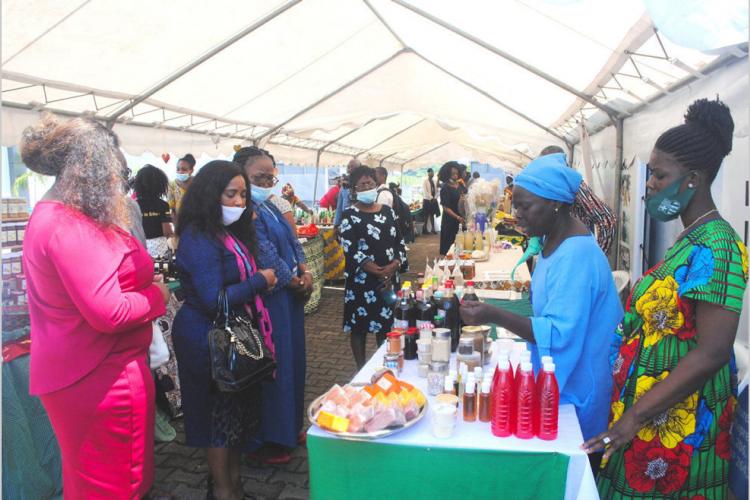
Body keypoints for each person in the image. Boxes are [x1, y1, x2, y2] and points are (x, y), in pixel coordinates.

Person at [585, 98, 748, 499]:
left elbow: (711, 351)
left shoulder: (718, 245)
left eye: (658, 175)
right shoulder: (690, 238)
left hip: (679, 430)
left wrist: (633, 418)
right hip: (648, 419)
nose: (649, 185)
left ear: (691, 178)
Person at [21, 114, 169, 498]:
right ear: (92, 167)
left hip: (90, 371)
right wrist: (158, 296)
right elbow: (111, 312)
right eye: (115, 172)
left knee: (92, 482)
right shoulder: (67, 224)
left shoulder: (62, 216)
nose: (118, 183)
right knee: (115, 485)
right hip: (101, 376)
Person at [461, 153, 623, 451]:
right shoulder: (554, 241)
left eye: (525, 207)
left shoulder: (576, 256)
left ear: (555, 204)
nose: (517, 214)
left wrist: (493, 314)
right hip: (564, 374)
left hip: (580, 384)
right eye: (515, 206)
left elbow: (559, 332)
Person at [172, 160, 276, 500]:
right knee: (218, 421)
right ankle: (223, 490)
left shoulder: (225, 233)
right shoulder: (199, 238)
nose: (239, 203)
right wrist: (259, 281)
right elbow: (214, 300)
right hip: (207, 338)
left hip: (228, 333)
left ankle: (234, 485)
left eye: (243, 195)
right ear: (210, 194)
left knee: (234, 419)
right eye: (231, 194)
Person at [233, 146, 311, 464]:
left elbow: (293, 241)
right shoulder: (244, 211)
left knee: (294, 362)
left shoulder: (270, 207)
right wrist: (293, 281)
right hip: (269, 300)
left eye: (270, 176)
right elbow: (263, 253)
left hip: (289, 298)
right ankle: (270, 437)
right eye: (259, 177)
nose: (267, 181)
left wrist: (305, 272)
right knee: (274, 367)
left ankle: (290, 427)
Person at [340, 165, 407, 368]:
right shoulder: (349, 215)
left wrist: (393, 266)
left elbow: (399, 242)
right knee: (359, 328)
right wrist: (375, 270)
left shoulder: (388, 212)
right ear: (354, 189)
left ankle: (385, 364)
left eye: (370, 183)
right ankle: (361, 369)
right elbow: (349, 248)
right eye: (362, 184)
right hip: (362, 282)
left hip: (388, 280)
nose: (367, 186)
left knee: (385, 326)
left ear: (376, 185)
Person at [539, 145, 616, 254]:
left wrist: (597, 254)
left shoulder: (574, 185)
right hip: (556, 251)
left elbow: (608, 219)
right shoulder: (548, 186)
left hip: (574, 252)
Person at [134, 164, 175, 259]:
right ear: (161, 185)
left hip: (140, 246)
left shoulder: (134, 205)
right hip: (159, 247)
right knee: (160, 271)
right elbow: (166, 231)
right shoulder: (163, 205)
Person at [438, 161, 465, 257]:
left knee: (461, 246)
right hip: (450, 221)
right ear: (447, 174)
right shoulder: (445, 188)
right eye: (453, 173)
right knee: (450, 248)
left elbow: (466, 197)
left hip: (461, 220)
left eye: (457, 173)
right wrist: (457, 217)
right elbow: (445, 207)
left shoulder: (460, 185)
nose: (455, 176)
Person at [334, 158, 362, 231]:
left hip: (360, 223)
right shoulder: (344, 187)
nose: (349, 169)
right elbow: (339, 207)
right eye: (348, 167)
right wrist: (336, 224)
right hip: (346, 222)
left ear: (359, 169)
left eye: (352, 167)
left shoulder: (363, 185)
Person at [167, 153, 196, 218]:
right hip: (180, 222)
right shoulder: (172, 185)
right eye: (178, 169)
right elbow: (171, 209)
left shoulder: (198, 183)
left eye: (184, 169)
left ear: (191, 170)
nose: (180, 171)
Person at [421, 168, 439, 234]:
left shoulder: (434, 181)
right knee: (426, 215)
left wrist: (435, 198)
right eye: (431, 172)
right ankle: (424, 229)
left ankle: (433, 229)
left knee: (432, 215)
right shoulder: (425, 181)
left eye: (433, 172)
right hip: (427, 200)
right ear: (428, 173)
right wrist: (431, 198)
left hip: (433, 200)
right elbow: (425, 192)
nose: (432, 173)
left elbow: (437, 191)